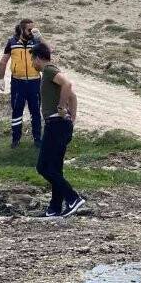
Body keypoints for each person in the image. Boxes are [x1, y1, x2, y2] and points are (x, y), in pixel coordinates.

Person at [31, 43, 85, 218]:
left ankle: (73, 198)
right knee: (55, 168)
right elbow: (74, 96)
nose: (33, 63)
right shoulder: (51, 72)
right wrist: (73, 119)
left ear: (38, 58)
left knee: (43, 167)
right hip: (62, 124)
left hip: (55, 123)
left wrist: (62, 106)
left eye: (33, 59)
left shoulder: (48, 71)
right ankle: (54, 209)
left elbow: (68, 85)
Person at [0, 18, 48, 149]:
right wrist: (1, 78)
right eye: (29, 29)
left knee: (36, 111)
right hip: (17, 83)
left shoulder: (36, 41)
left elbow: (49, 52)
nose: (32, 32)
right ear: (21, 29)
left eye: (33, 29)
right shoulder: (12, 42)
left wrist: (40, 37)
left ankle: (37, 139)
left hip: (34, 82)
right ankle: (15, 139)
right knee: (17, 111)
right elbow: (3, 61)